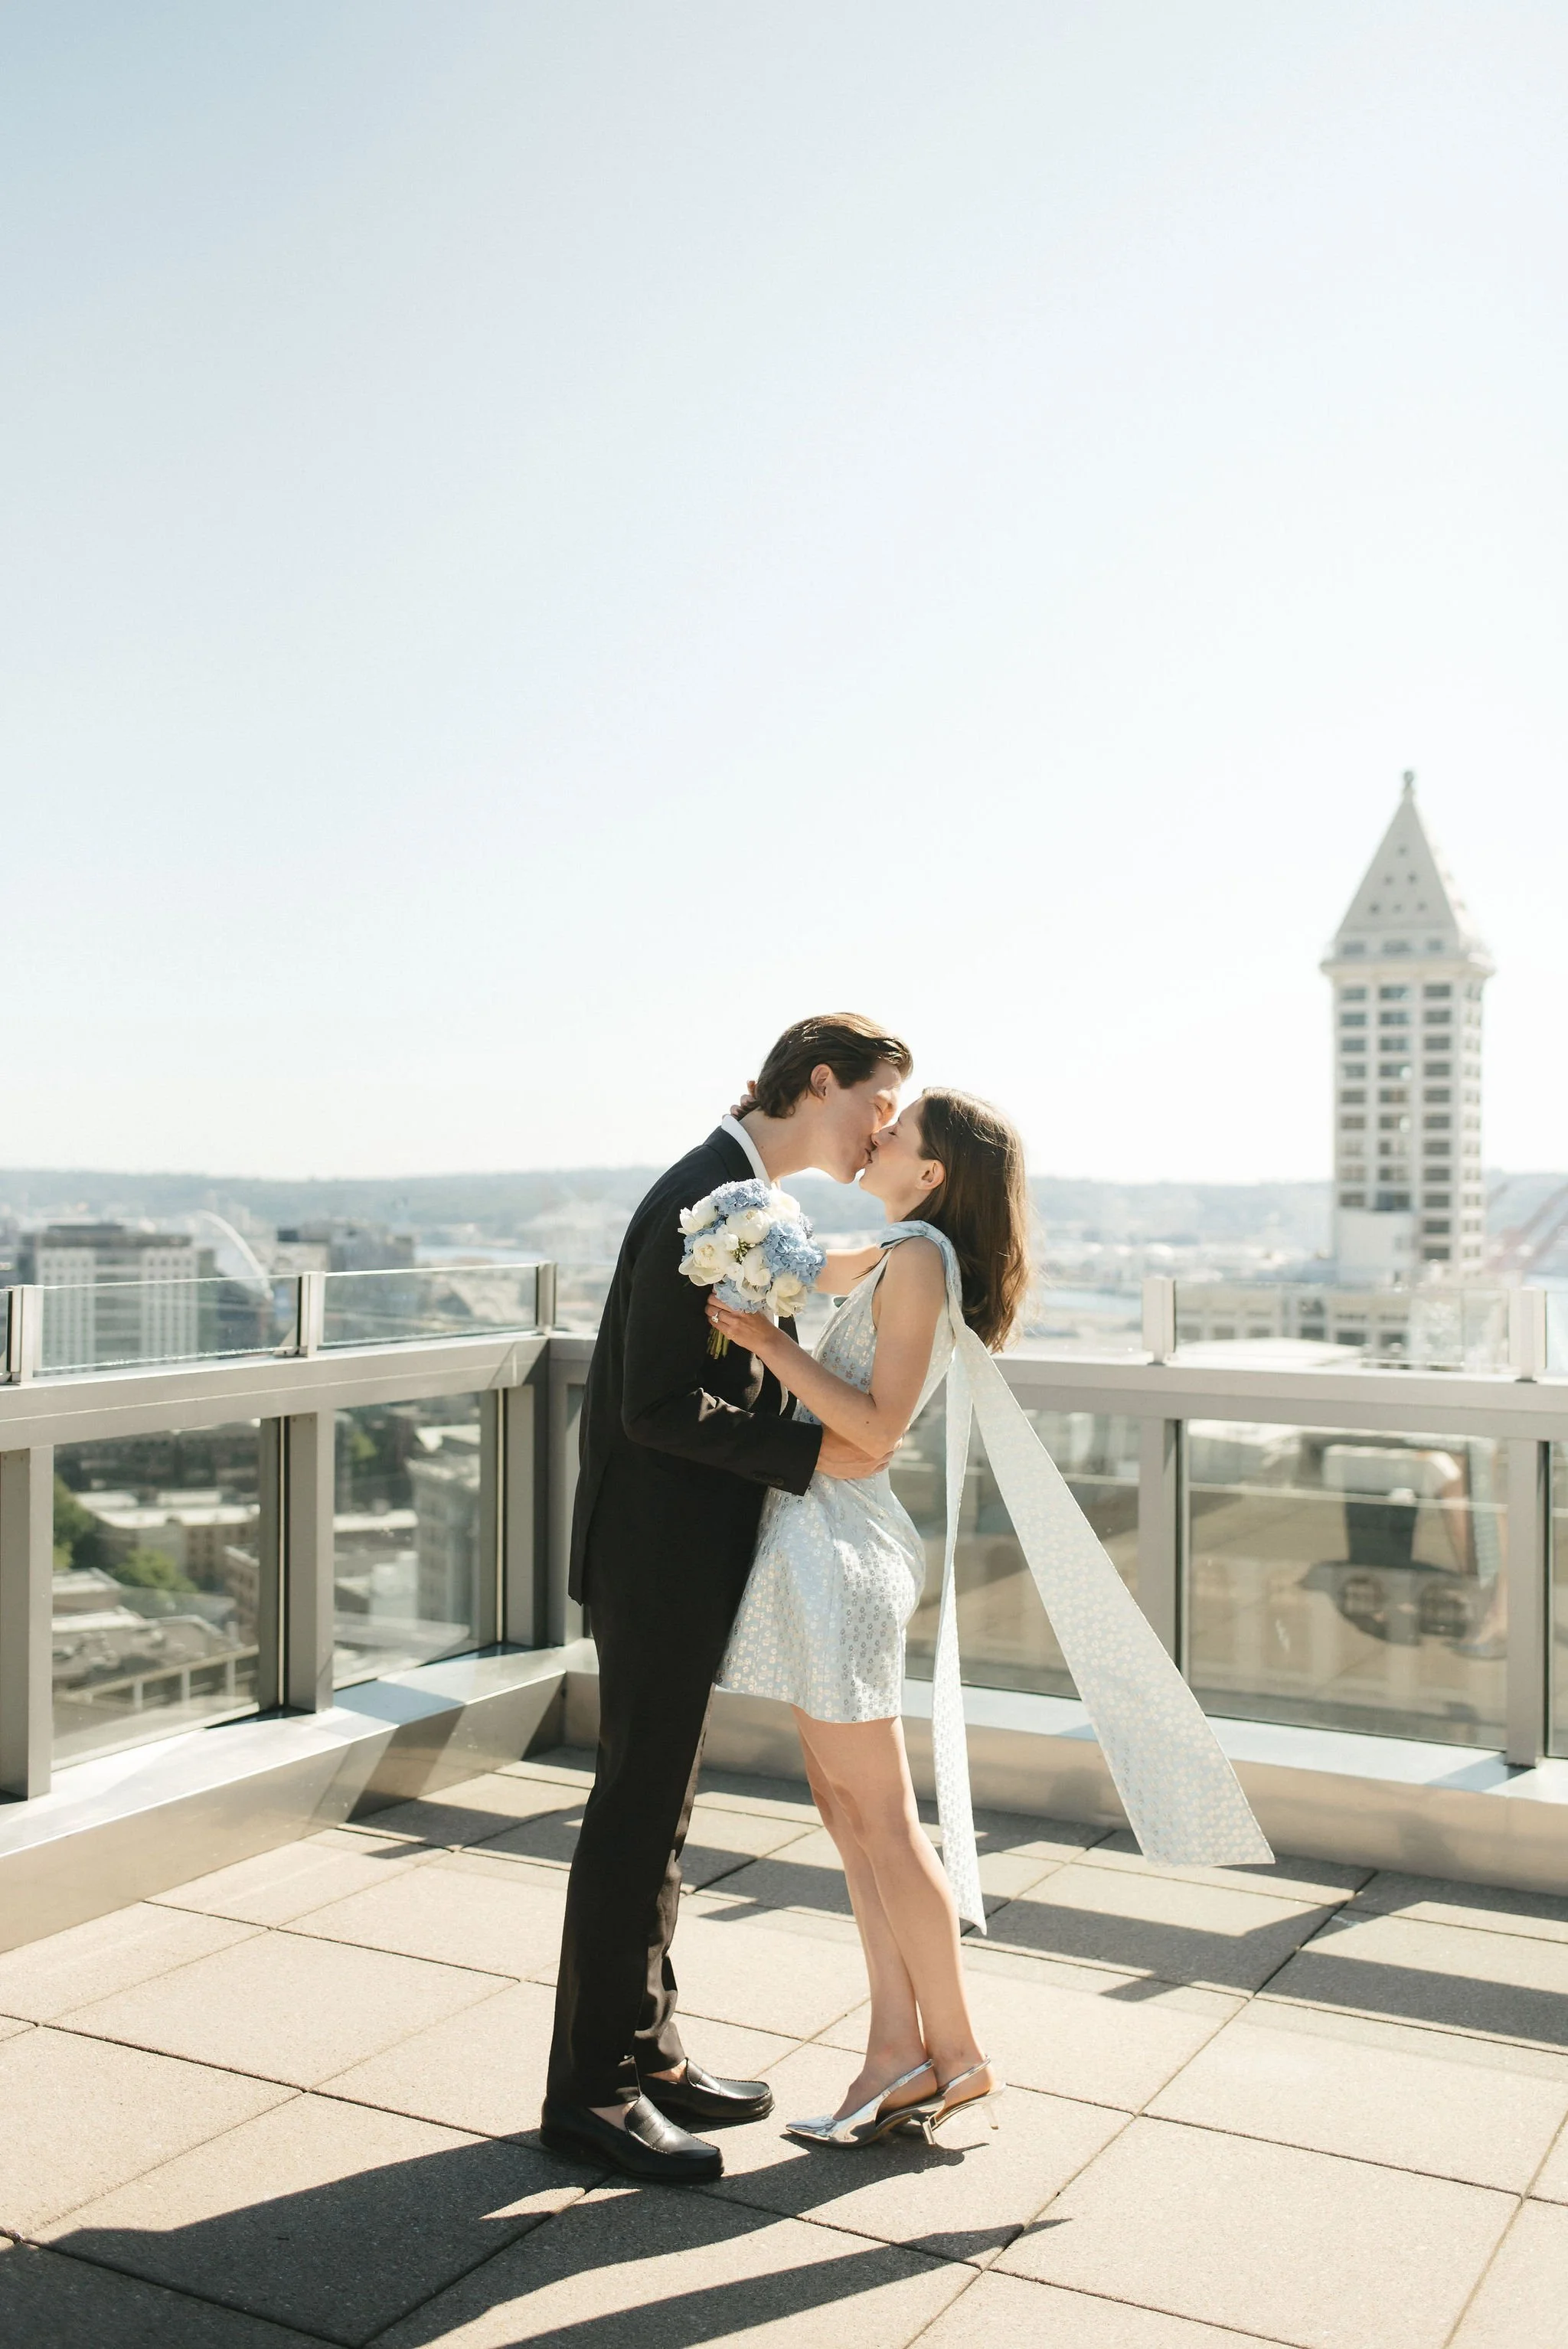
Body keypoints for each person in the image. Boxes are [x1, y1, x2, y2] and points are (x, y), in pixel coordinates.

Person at [712, 1087, 1272, 2148]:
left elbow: (874, 1431)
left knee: (881, 1823)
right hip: (821, 1543)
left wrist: (766, 1344)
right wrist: (749, 1243)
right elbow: (809, 1270)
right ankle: (897, 2053)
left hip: (841, 1553)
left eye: (897, 1133)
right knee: (849, 1818)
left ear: (931, 1175)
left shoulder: (919, 1258)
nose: (877, 1136)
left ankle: (957, 2051)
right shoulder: (897, 1252)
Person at [541, 1013, 913, 2184]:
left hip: (683, 1554)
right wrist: (811, 1453)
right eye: (877, 1103)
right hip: (654, 1558)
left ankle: (648, 2053)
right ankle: (591, 2095)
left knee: (663, 1813)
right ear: (819, 1082)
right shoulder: (704, 1199)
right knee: (634, 1813)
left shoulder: (744, 1196)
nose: (883, 1130)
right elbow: (654, 1405)